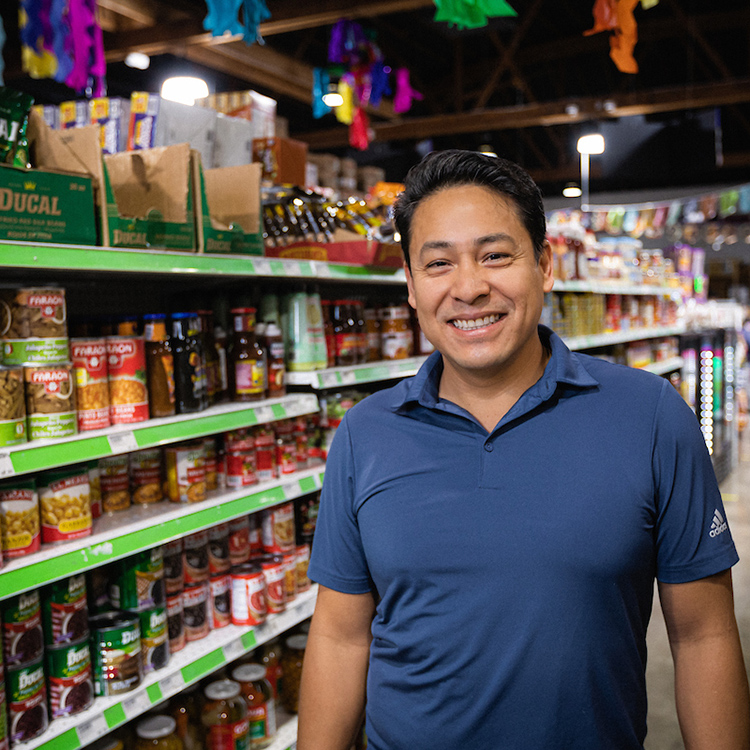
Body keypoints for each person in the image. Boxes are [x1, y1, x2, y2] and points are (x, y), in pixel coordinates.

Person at [297, 149, 750, 750]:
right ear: (409, 286)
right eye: (438, 264)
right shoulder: (364, 433)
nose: (469, 288)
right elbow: (340, 636)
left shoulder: (649, 415)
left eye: (495, 255)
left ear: (544, 264)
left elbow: (703, 637)